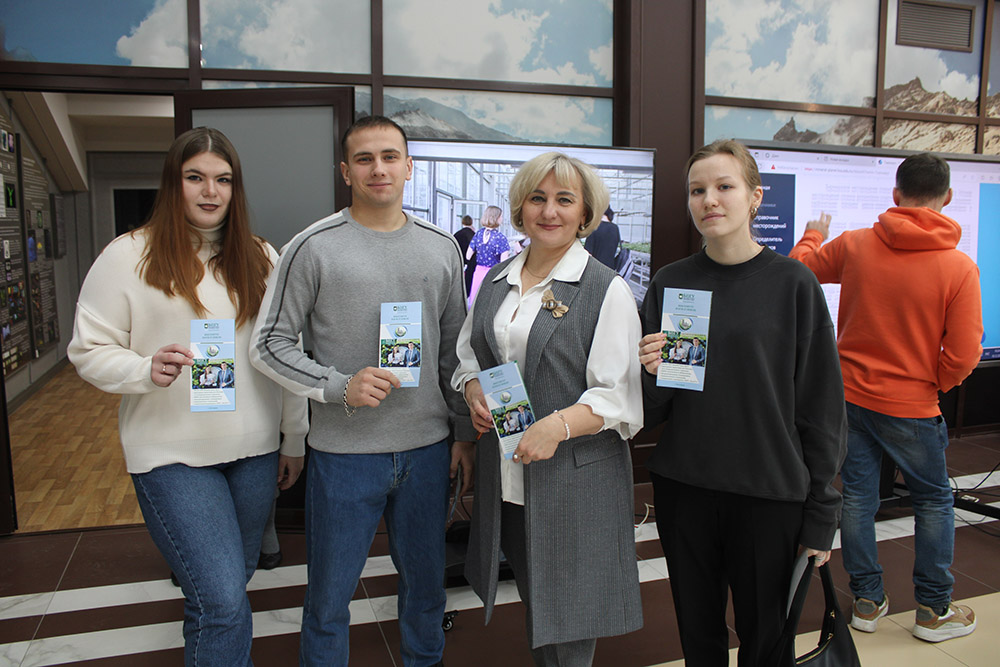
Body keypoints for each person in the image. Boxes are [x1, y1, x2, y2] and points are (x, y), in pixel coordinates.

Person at [68, 127, 308, 666]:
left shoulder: (260, 256)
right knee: (221, 599)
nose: (210, 191)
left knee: (229, 585)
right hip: (170, 453)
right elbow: (87, 350)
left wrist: (294, 436)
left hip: (254, 451)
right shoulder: (128, 256)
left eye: (223, 179)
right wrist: (143, 369)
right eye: (195, 177)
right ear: (172, 183)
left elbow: (283, 354)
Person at [249, 115, 475, 667]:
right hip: (344, 455)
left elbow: (454, 352)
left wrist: (462, 433)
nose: (379, 168)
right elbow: (268, 344)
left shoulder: (442, 247)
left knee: (426, 589)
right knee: (329, 598)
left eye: (390, 157)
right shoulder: (312, 247)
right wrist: (337, 386)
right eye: (365, 159)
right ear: (345, 171)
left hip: (426, 452)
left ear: (409, 167)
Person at [638, 139, 846, 666]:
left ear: (755, 197)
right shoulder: (672, 282)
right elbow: (655, 408)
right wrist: (651, 371)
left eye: (724, 186)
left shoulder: (793, 283)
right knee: (698, 636)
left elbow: (821, 408)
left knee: (766, 641)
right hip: (686, 489)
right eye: (697, 190)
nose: (709, 199)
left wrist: (822, 512)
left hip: (768, 494)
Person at [454, 151, 643, 666]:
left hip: (573, 478)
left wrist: (556, 426)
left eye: (564, 199)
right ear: (520, 208)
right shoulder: (498, 279)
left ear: (585, 213)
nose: (550, 211)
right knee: (539, 607)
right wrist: (473, 392)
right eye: (537, 198)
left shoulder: (606, 289)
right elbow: (471, 356)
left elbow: (618, 394)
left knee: (571, 618)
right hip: (510, 475)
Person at [789, 153, 982, 642]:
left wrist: (812, 234)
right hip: (913, 407)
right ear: (948, 198)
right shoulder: (959, 267)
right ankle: (933, 610)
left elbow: (798, 271)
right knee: (933, 502)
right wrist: (932, 383)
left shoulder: (855, 245)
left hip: (850, 400)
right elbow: (964, 354)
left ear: (896, 195)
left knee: (857, 498)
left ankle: (867, 602)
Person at [466, 205, 510, 306]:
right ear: (496, 218)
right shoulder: (501, 238)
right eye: (501, 216)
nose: (502, 219)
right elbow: (504, 263)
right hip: (493, 274)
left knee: (475, 302)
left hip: (478, 272)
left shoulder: (478, 234)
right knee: (488, 304)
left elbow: (468, 255)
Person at [454, 214, 476, 296]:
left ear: (462, 222)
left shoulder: (457, 234)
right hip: (471, 263)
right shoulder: (474, 235)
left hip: (459, 260)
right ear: (471, 222)